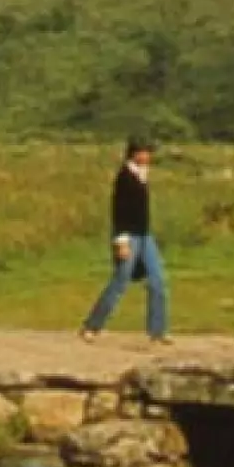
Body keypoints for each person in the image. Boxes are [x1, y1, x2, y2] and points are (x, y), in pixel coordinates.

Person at [79, 137, 171, 344]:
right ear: (135, 153)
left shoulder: (142, 175)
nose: (149, 156)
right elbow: (118, 211)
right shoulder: (125, 177)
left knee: (158, 280)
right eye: (146, 152)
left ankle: (158, 330)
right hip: (128, 235)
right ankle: (92, 325)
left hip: (144, 235)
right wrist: (121, 241)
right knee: (120, 281)